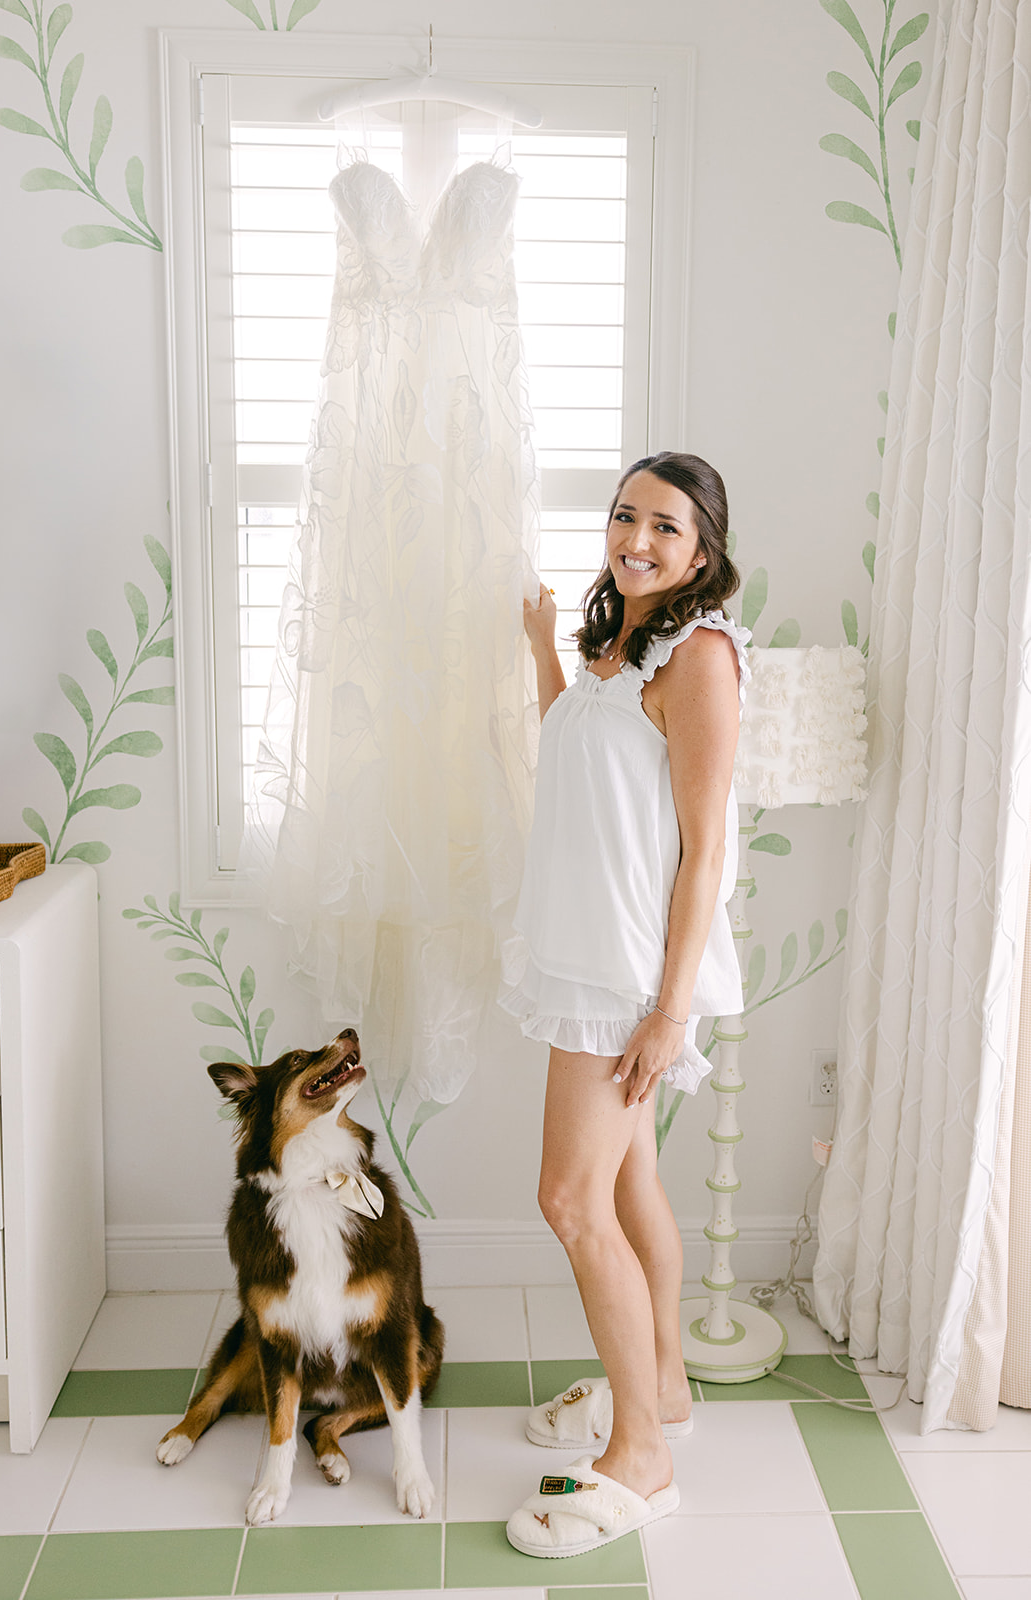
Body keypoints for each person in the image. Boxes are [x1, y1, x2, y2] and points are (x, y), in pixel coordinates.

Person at [499, 451, 750, 1557]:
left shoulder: (698, 657)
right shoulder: (620, 646)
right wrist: (541, 650)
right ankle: (666, 1388)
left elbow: (702, 853)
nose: (634, 538)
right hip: (581, 956)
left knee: (568, 1199)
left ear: (702, 550)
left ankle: (639, 1454)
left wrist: (666, 1008)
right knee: (630, 1177)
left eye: (663, 525)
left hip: (625, 980)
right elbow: (579, 749)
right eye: (622, 516)